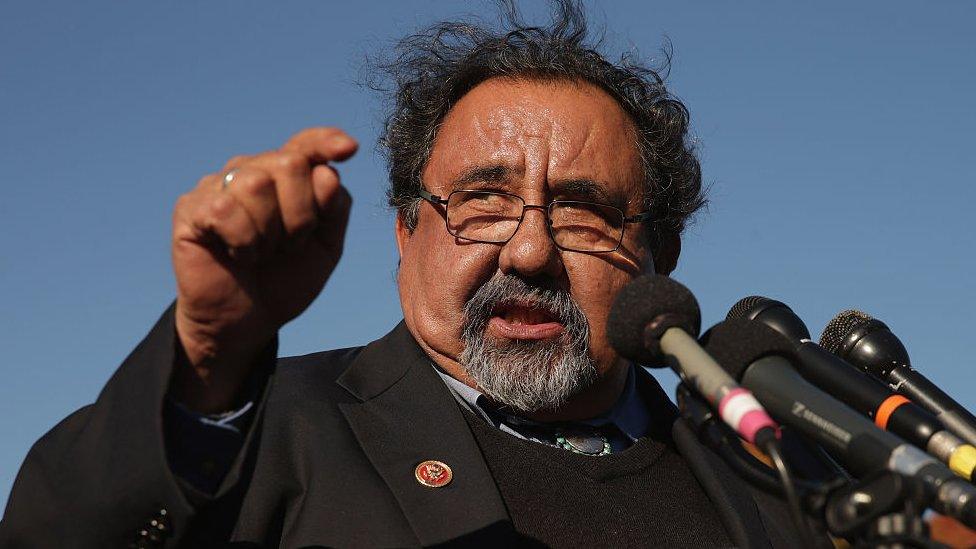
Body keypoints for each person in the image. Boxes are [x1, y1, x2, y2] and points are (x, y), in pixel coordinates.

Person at [1, 2, 832, 547]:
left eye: (582, 210)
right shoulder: (269, 431)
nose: (529, 252)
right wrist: (209, 352)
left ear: (663, 252)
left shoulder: (774, 473)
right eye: (482, 200)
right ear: (405, 231)